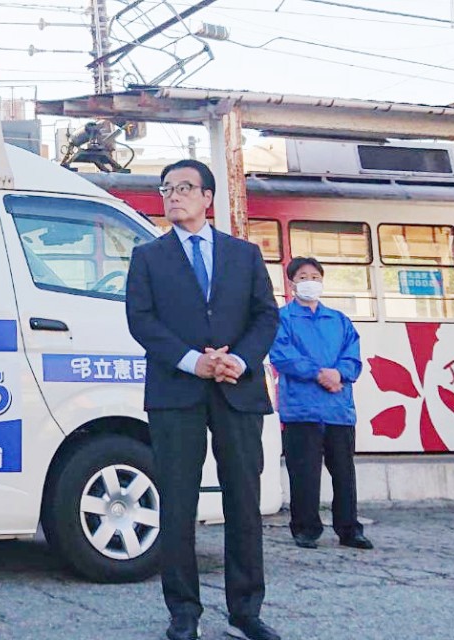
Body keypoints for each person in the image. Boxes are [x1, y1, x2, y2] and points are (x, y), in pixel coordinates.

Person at [126, 159, 281, 640]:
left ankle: (246, 610)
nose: (173, 195)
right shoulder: (148, 257)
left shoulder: (245, 254)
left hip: (238, 388)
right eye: (167, 188)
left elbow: (265, 316)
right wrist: (195, 361)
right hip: (177, 391)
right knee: (177, 501)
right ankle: (183, 612)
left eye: (185, 187)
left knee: (243, 500)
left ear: (208, 198)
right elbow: (142, 322)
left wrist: (242, 360)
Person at [269, 256, 373, 551]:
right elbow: (282, 356)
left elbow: (353, 357)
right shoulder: (282, 319)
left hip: (338, 410)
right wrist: (319, 374)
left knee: (344, 473)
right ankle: (305, 529)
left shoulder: (339, 320)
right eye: (302, 277)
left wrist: (339, 373)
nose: (309, 282)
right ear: (291, 284)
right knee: (304, 473)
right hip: (301, 410)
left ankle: (349, 529)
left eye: (314, 276)